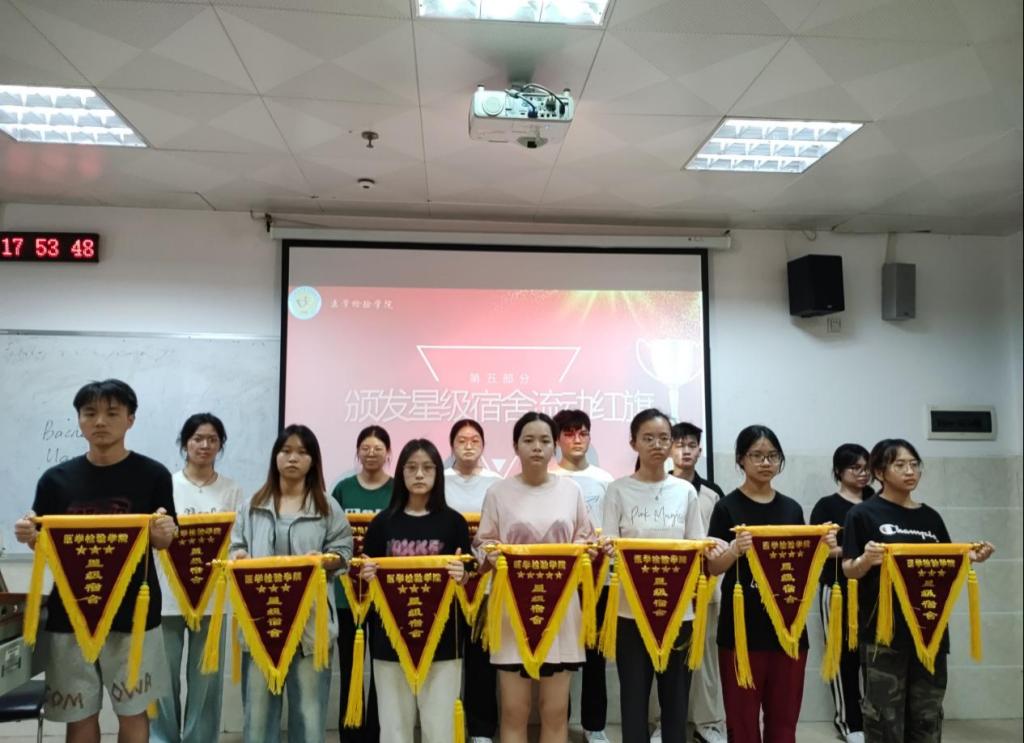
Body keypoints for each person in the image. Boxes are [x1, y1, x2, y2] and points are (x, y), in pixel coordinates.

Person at [14, 379, 177, 743]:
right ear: (80, 420)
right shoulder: (55, 480)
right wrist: (29, 534)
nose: (100, 421)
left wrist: (164, 530)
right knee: (79, 715)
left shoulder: (153, 475)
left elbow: (164, 540)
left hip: (133, 615)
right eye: (90, 413)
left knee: (133, 712)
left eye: (112, 413)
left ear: (130, 419)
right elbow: (43, 541)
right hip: (71, 614)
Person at [843, 439, 994, 743]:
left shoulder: (931, 517)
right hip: (884, 632)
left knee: (927, 716)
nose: (910, 471)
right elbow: (849, 569)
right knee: (884, 718)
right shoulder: (863, 514)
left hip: (929, 631)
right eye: (900, 465)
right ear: (879, 472)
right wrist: (865, 560)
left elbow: (947, 564)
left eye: (914, 464)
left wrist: (970, 557)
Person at [706, 425, 837, 743]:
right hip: (742, 629)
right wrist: (734, 550)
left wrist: (824, 547)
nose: (765, 462)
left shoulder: (791, 508)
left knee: (784, 722)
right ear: (741, 459)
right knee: (742, 722)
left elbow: (802, 563)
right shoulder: (726, 507)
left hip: (789, 627)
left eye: (772, 456)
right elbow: (711, 567)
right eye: (757, 455)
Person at [474, 411, 596, 743]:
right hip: (511, 609)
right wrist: (490, 553)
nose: (537, 447)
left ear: (554, 445)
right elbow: (483, 545)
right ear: (516, 446)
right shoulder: (498, 492)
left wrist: (588, 551)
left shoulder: (571, 490)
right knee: (514, 710)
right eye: (528, 440)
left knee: (555, 710)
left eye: (544, 440)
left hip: (561, 609)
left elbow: (585, 539)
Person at [230, 424, 353, 743]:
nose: (293, 458)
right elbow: (235, 546)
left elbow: (344, 552)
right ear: (275, 457)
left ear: (313, 460)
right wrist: (239, 556)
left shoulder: (327, 506)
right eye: (286, 451)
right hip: (262, 623)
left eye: (302, 452)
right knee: (258, 717)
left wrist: (326, 561)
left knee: (309, 715)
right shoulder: (252, 504)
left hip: (311, 625)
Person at [602, 409, 709, 743]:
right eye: (648, 438)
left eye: (664, 438)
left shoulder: (685, 491)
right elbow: (610, 548)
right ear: (633, 442)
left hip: (679, 612)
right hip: (629, 612)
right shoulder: (618, 490)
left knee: (676, 701)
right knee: (634, 698)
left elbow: (696, 547)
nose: (657, 445)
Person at [360, 439, 472, 743]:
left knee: (440, 727)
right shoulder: (382, 524)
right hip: (390, 641)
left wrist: (463, 575)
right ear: (400, 472)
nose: (419, 474)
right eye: (411, 468)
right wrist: (366, 576)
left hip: (443, 642)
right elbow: (364, 579)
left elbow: (470, 578)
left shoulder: (454, 523)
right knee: (394, 728)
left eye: (427, 468)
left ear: (437, 473)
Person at [152, 413, 245, 743]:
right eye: (197, 438)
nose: (204, 445)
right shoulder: (166, 485)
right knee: (162, 680)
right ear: (185, 443)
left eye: (212, 439)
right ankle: (162, 738)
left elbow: (240, 540)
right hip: (167, 597)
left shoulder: (232, 490)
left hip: (213, 601)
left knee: (207, 679)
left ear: (220, 445)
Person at [552, 409, 614, 743]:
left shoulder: (605, 480)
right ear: (558, 439)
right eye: (569, 433)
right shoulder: (549, 478)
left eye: (583, 433)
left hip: (600, 579)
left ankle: (594, 725)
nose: (577, 439)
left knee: (595, 656)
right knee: (560, 656)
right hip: (560, 579)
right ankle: (556, 724)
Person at [331, 425, 393, 742]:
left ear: (388, 453)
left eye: (378, 448)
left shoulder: (398, 489)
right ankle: (351, 735)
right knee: (349, 668)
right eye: (365, 448)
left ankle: (377, 734)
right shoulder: (342, 489)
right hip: (347, 593)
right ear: (357, 452)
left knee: (383, 669)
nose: (371, 453)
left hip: (385, 595)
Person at [442, 419, 501, 743]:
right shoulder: (440, 481)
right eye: (461, 440)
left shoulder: (497, 484)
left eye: (474, 439)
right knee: (447, 660)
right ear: (451, 445)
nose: (468, 445)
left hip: (486, 585)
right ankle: (445, 727)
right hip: (447, 586)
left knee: (481, 662)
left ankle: (481, 731)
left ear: (483, 445)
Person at [810, 443, 872, 743]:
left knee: (876, 657)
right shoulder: (826, 506)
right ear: (838, 471)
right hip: (836, 589)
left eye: (866, 468)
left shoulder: (877, 501)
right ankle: (849, 722)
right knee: (843, 656)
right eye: (855, 468)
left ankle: (875, 719)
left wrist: (847, 549)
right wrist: (857, 552)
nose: (862, 474)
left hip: (875, 591)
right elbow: (819, 550)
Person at [669, 421, 726, 743]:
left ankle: (708, 724)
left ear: (700, 450)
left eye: (691, 445)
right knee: (661, 656)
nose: (685, 451)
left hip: (706, 589)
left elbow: (720, 544)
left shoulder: (712, 494)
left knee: (705, 661)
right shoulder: (657, 488)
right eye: (679, 444)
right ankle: (661, 723)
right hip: (664, 588)